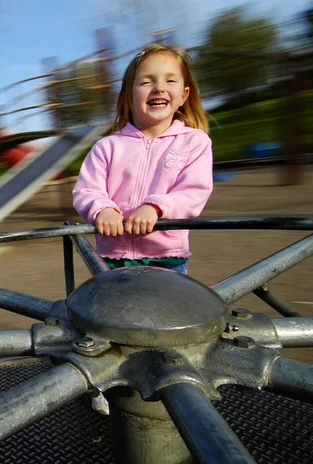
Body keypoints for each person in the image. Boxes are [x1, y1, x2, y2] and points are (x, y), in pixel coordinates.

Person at [72, 43, 213, 415]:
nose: (158, 88)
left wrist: (155, 206)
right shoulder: (108, 147)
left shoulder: (194, 143)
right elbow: (87, 189)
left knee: (166, 325)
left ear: (183, 95)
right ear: (129, 95)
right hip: (114, 257)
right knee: (107, 324)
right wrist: (101, 207)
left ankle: (175, 383)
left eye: (169, 80)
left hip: (166, 257)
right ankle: (105, 382)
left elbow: (194, 192)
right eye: (146, 81)